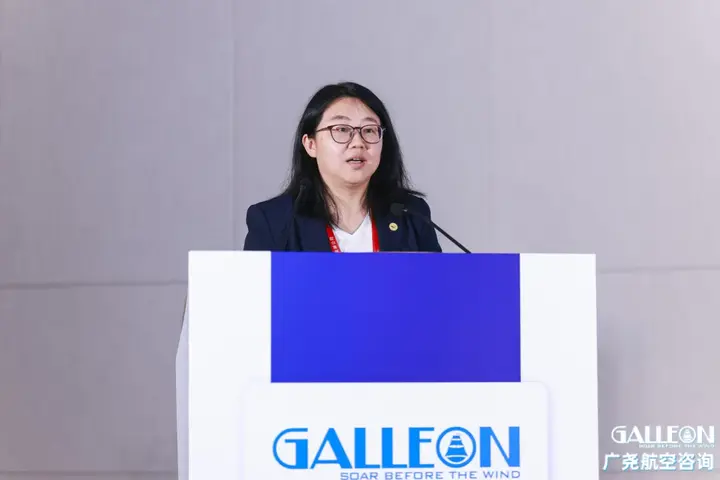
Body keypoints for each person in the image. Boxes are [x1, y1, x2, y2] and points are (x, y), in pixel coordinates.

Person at [242, 81, 442, 253]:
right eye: (342, 129)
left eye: (369, 130)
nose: (358, 143)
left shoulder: (411, 214)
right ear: (311, 144)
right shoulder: (273, 221)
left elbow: (437, 284)